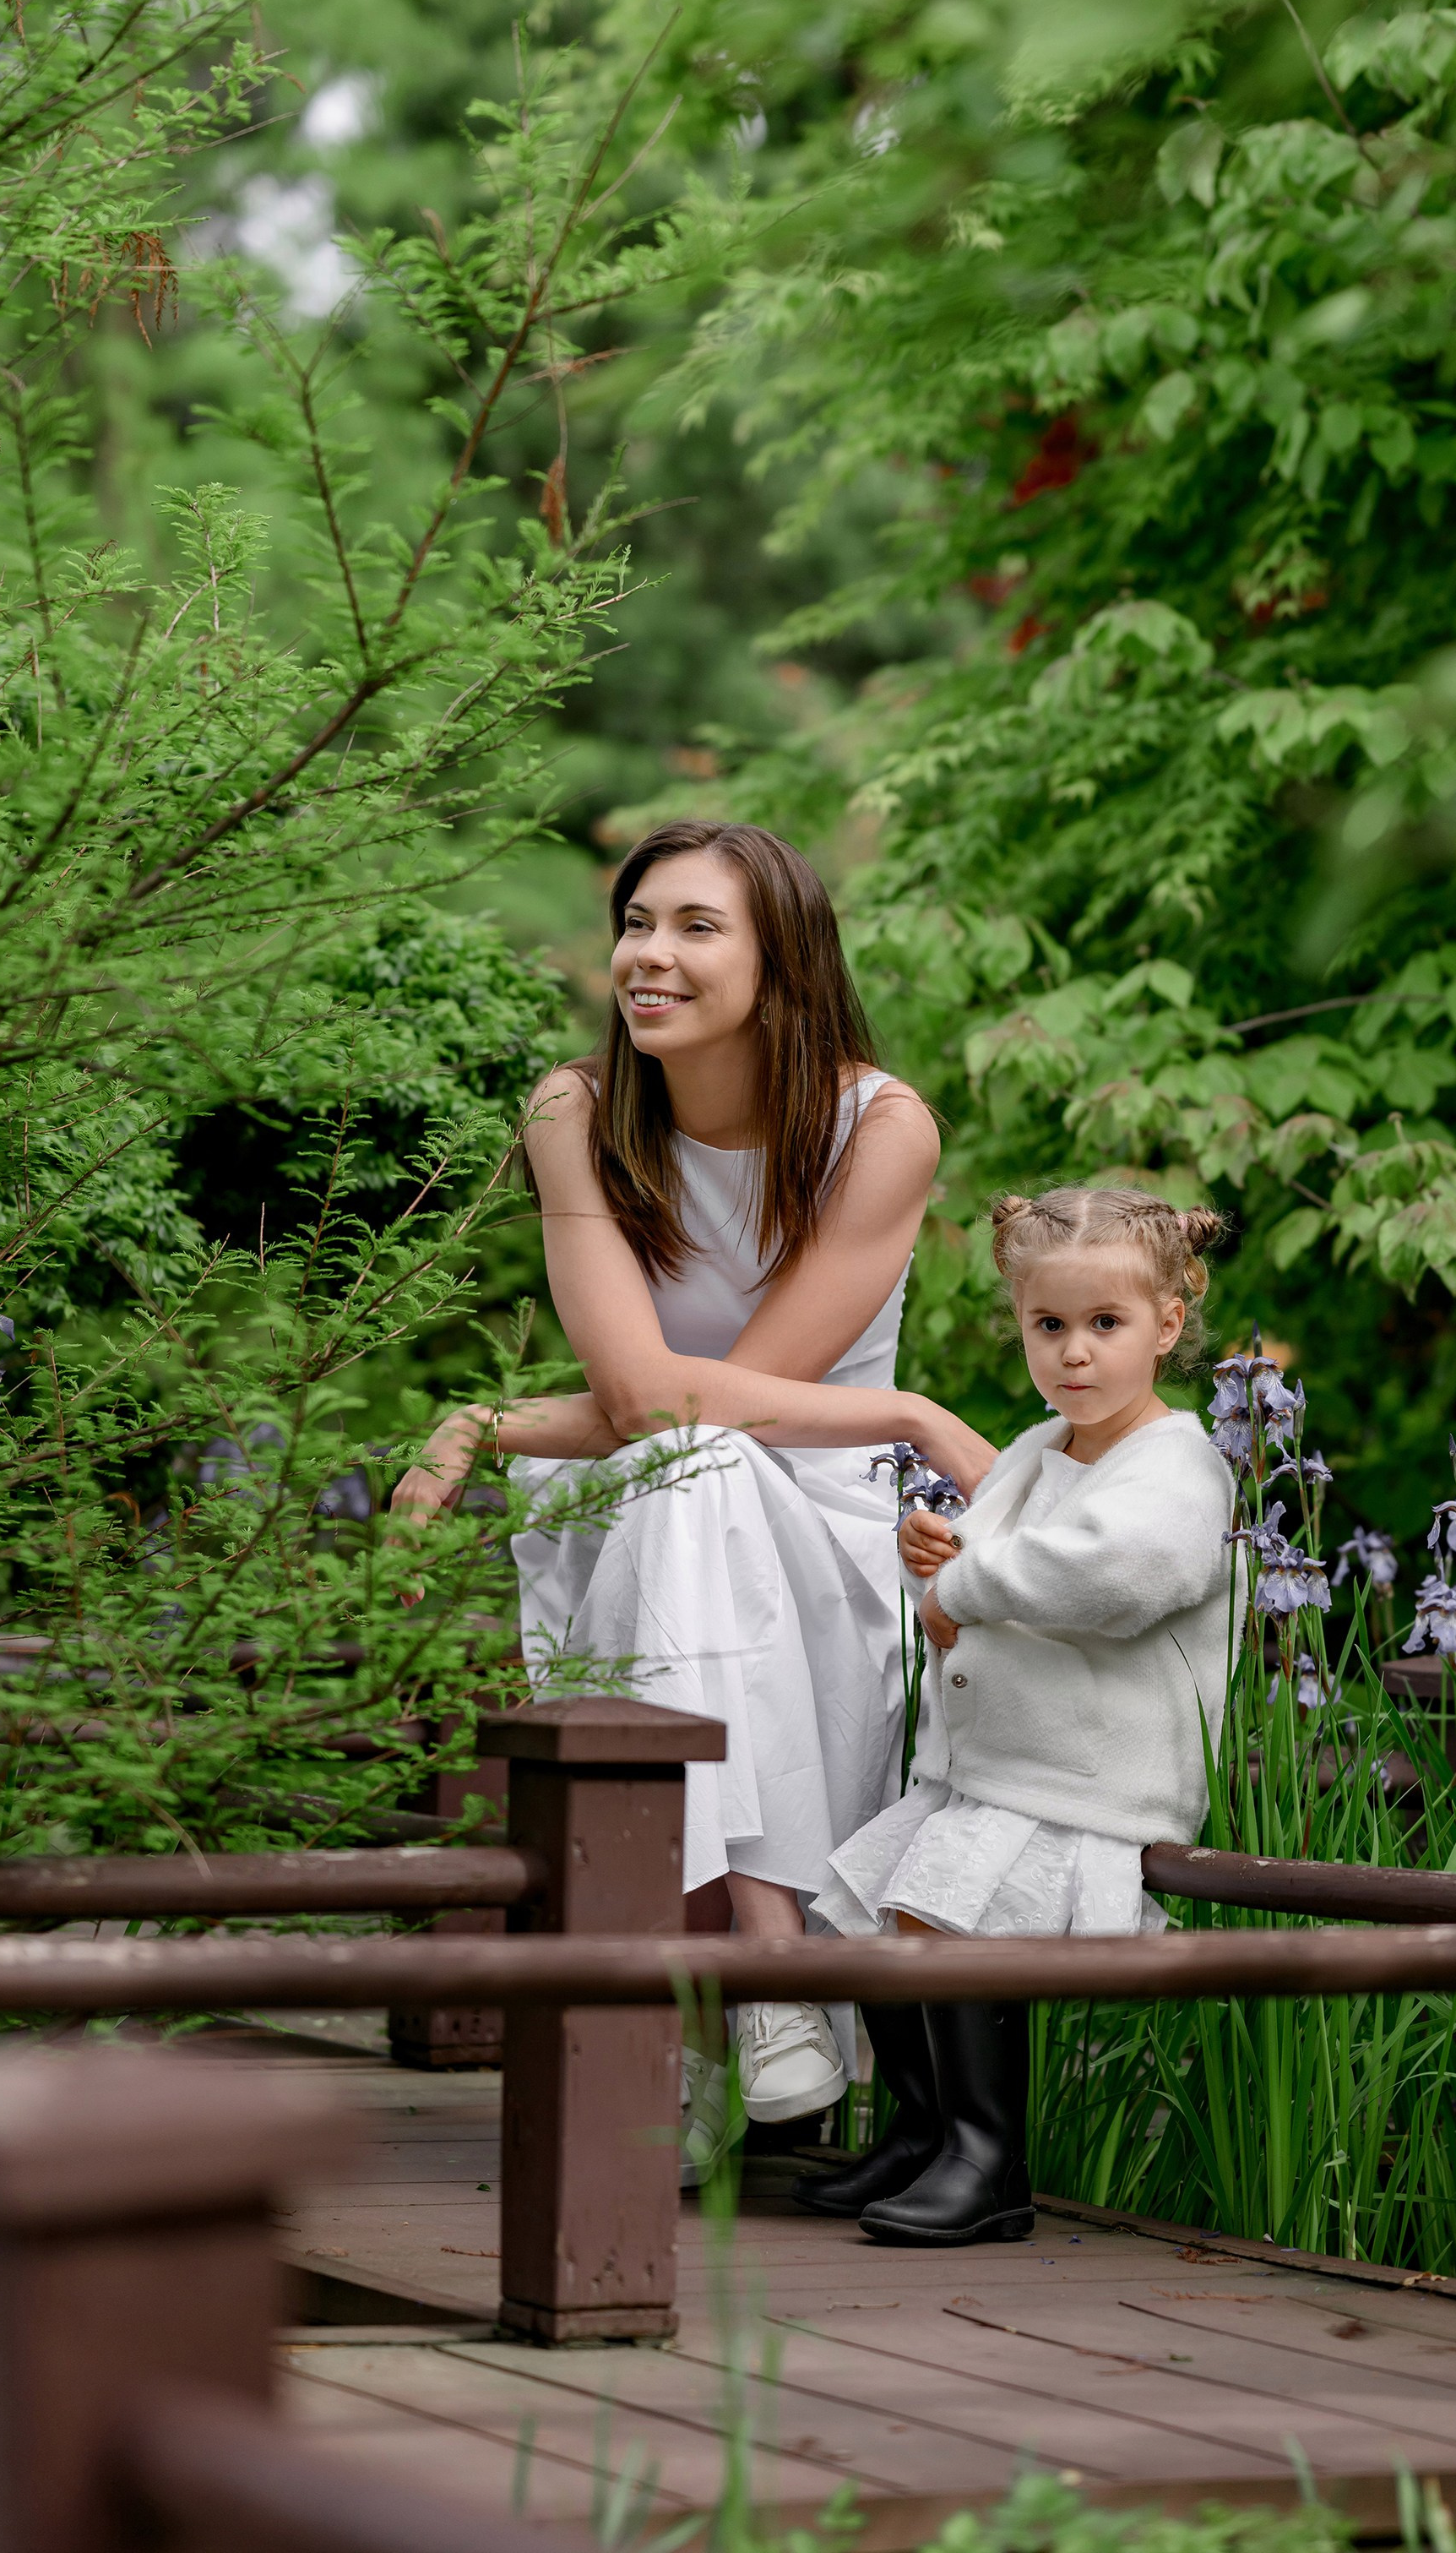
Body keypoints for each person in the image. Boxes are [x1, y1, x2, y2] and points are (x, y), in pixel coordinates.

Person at [390, 819, 994, 2162]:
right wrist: (908, 1405)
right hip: (634, 1508)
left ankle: (731, 1998)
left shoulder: (877, 1129)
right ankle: (767, 1966)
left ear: (784, 968)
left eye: (696, 928)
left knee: (705, 1458)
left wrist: (490, 1422)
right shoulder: (578, 1113)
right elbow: (650, 1401)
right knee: (689, 1465)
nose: (648, 956)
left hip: (830, 1524)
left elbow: (706, 1401)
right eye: (637, 922)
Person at [798, 1184, 1236, 2251]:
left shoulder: (1178, 1464)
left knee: (938, 1924)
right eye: (1050, 1326)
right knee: (869, 1913)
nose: (1074, 1354)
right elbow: (972, 1595)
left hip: (1088, 1779)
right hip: (994, 1771)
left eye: (1105, 1325)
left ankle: (987, 2160)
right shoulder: (1040, 1451)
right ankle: (920, 2129)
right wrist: (931, 1573)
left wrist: (971, 1577)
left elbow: (1121, 1576)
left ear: (1167, 1326)